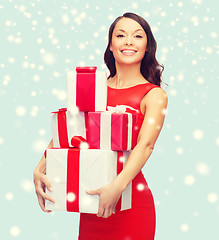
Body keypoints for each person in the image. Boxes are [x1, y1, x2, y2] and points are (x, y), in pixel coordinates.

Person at [33, 12, 168, 240]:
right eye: (120, 35)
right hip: (92, 199)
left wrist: (116, 188)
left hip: (131, 201)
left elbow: (145, 146)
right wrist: (41, 167)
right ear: (111, 46)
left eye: (137, 36)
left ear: (147, 48)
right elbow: (69, 133)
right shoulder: (92, 88)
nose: (128, 41)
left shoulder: (154, 95)